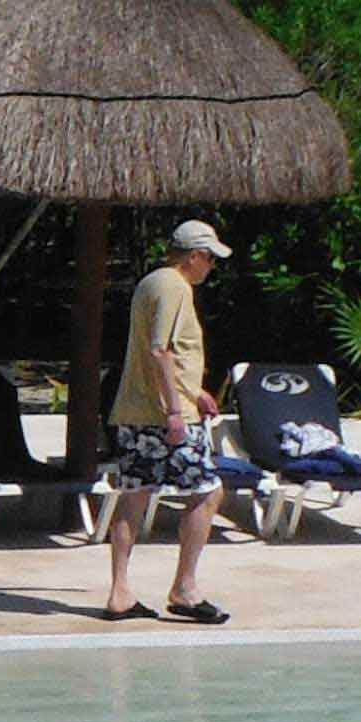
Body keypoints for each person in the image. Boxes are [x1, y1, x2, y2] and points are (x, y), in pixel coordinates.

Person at [100, 219, 232, 622]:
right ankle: (185, 589)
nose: (211, 266)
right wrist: (176, 410)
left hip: (135, 411)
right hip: (164, 416)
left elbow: (157, 351)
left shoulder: (150, 282)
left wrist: (196, 391)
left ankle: (120, 592)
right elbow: (160, 351)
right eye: (209, 258)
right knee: (209, 493)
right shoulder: (177, 287)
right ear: (193, 256)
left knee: (134, 495)